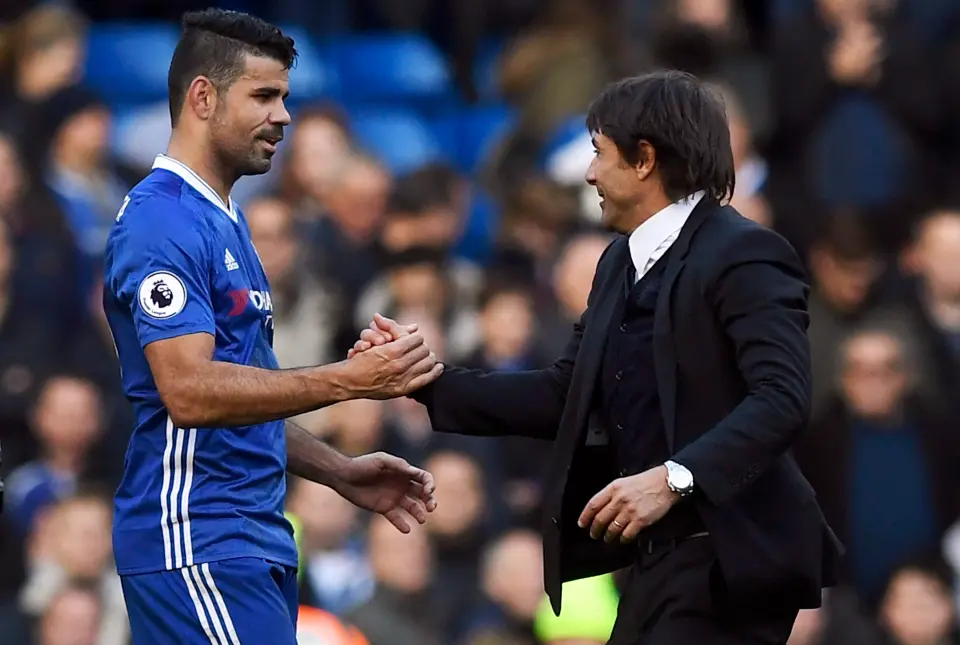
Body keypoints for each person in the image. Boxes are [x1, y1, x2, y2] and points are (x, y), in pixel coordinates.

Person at [351, 71, 843, 644]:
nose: (588, 174)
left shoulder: (746, 253)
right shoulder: (618, 263)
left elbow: (782, 399)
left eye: (598, 153)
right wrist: (423, 381)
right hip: (654, 563)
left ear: (644, 160)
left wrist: (673, 480)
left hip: (732, 561)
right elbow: (567, 394)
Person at [102, 10, 444, 645]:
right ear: (203, 97)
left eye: (284, 97)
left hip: (246, 536)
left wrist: (337, 469)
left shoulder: (222, 217)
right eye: (263, 95)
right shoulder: (163, 222)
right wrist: (350, 381)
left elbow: (244, 394)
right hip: (197, 536)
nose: (283, 116)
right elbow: (189, 391)